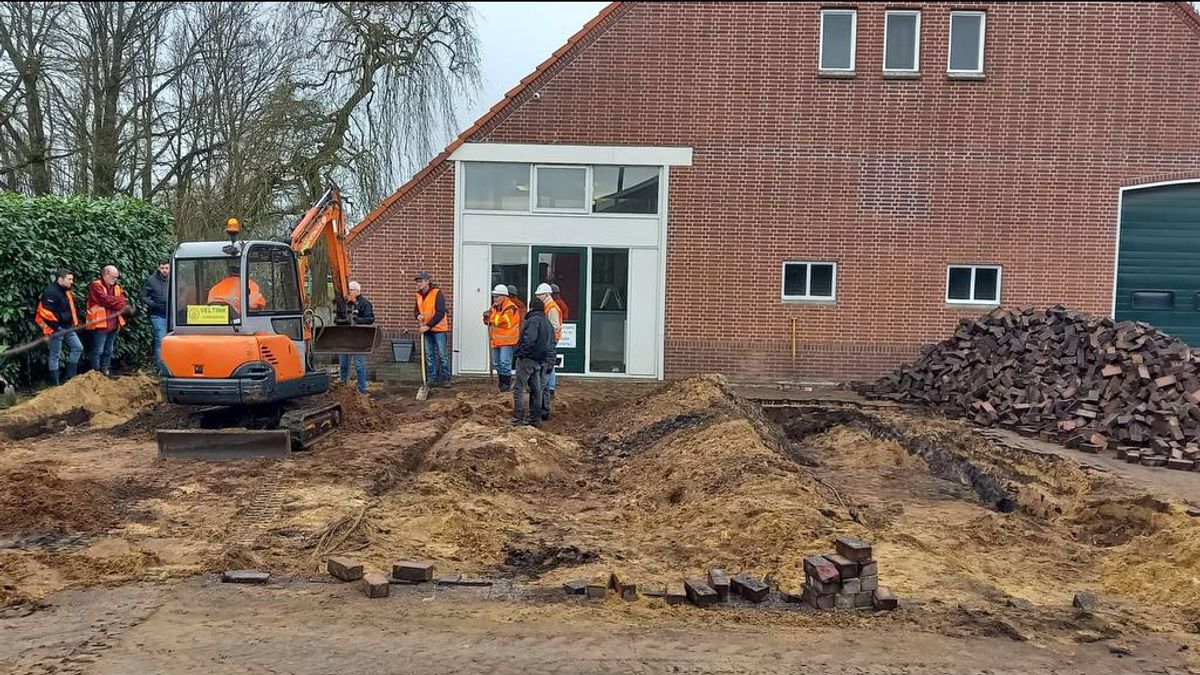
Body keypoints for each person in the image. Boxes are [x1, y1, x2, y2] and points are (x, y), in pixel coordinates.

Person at [511, 296, 554, 427]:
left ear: (531, 308)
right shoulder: (547, 323)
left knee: (518, 388)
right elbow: (551, 343)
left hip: (527, 359)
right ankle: (535, 418)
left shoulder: (533, 321)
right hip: (539, 361)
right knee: (536, 390)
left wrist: (520, 353)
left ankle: (518, 418)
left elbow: (529, 340)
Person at [35, 268, 82, 385]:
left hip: (68, 327)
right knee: (55, 355)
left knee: (78, 347)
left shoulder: (66, 290)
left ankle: (70, 377)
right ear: (61, 279)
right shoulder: (50, 292)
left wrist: (74, 323)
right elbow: (46, 313)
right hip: (56, 329)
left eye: (72, 279)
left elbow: (70, 309)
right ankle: (55, 383)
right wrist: (57, 328)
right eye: (69, 279)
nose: (72, 282)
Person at [86, 265, 127, 376]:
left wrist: (114, 301)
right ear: (105, 275)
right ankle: (95, 373)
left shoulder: (116, 287)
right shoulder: (96, 285)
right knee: (98, 350)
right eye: (113, 277)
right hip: (100, 324)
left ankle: (105, 370)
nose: (115, 279)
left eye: (116, 277)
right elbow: (105, 300)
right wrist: (116, 301)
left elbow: (123, 302)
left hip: (114, 323)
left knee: (109, 350)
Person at [413, 271, 451, 387]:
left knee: (442, 355)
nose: (418, 284)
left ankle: (446, 379)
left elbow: (440, 313)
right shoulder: (418, 295)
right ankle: (432, 378)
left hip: (439, 329)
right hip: (427, 330)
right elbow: (416, 310)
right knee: (429, 356)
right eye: (417, 282)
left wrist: (427, 326)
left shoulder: (437, 293)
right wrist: (417, 316)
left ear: (427, 281)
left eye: (420, 281)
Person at [339, 281, 375, 394]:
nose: (348, 292)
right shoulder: (344, 303)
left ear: (357, 291)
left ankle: (361, 389)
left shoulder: (365, 304)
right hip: (345, 338)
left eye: (350, 290)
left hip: (358, 339)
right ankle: (343, 387)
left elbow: (370, 319)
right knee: (343, 365)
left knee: (359, 365)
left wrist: (358, 320)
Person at [483, 284, 521, 392]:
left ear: (504, 296)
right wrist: (486, 318)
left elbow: (505, 321)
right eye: (494, 296)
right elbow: (488, 320)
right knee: (496, 362)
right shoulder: (494, 307)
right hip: (496, 340)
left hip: (507, 340)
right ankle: (501, 382)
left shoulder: (511, 307)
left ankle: (506, 383)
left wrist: (490, 318)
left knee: (505, 362)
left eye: (497, 296)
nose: (494, 298)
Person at [535, 282, 563, 420]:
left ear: (546, 294)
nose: (538, 297)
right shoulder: (548, 306)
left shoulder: (551, 307)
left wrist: (545, 333)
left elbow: (555, 326)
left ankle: (550, 388)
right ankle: (548, 386)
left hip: (550, 340)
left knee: (548, 365)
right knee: (548, 364)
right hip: (548, 339)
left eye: (540, 295)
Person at [140, 258, 171, 374]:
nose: (164, 270)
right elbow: (143, 295)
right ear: (159, 268)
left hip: (173, 316)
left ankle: (171, 366)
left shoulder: (175, 278)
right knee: (160, 341)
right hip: (158, 315)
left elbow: (184, 291)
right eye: (162, 268)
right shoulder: (151, 280)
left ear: (170, 268)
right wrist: (153, 304)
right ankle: (160, 368)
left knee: (172, 342)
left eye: (166, 268)